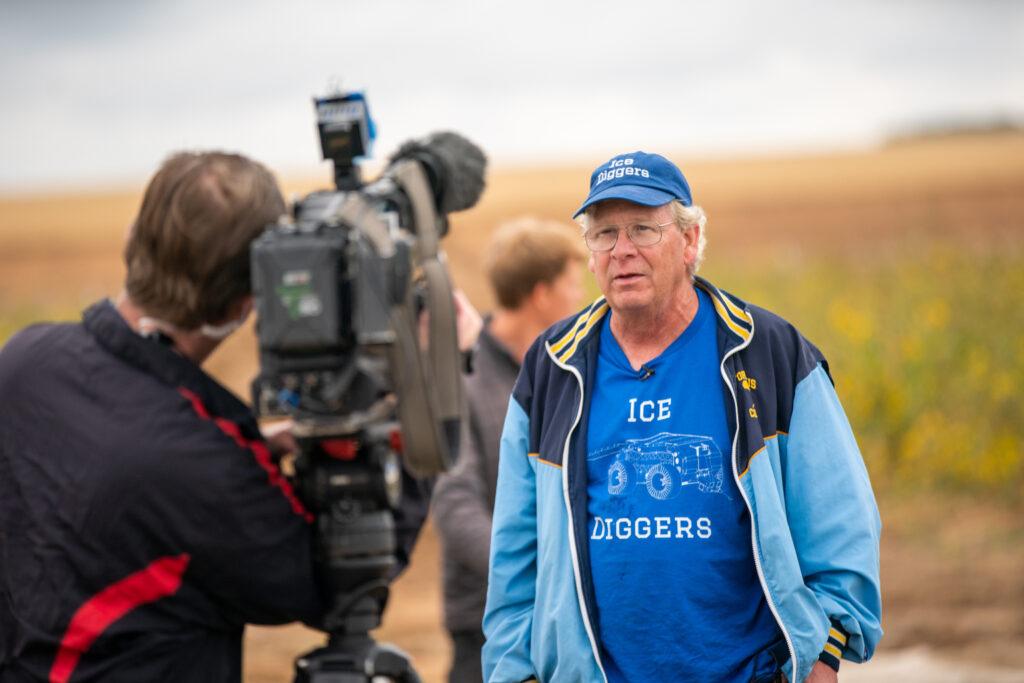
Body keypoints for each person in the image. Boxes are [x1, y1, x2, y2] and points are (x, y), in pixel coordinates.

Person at [0, 152, 432, 681]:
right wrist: (421, 401)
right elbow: (333, 588)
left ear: (134, 239)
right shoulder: (205, 467)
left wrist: (243, 447)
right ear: (245, 302)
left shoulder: (24, 361)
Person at [482, 152, 883, 683]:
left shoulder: (768, 351)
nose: (622, 251)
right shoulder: (553, 365)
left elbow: (841, 517)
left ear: (690, 240)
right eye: (604, 234)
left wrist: (825, 656)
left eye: (643, 229)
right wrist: (515, 673)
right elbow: (515, 550)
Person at [433, 218, 587, 683]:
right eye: (572, 284)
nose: (579, 298)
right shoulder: (462, 375)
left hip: (567, 623)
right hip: (486, 629)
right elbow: (456, 508)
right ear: (541, 295)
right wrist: (538, 572)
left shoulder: (570, 369)